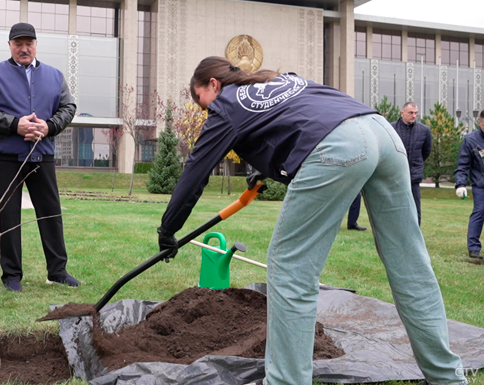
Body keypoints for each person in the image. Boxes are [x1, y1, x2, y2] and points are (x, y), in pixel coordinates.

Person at [157, 56, 466, 385]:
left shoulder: (226, 106)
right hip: (381, 133)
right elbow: (301, 121)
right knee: (410, 262)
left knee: (290, 268)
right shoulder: (277, 80)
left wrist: (168, 228)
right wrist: (264, 169)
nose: (206, 112)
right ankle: (448, 378)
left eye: (201, 101)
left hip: (341, 146)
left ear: (213, 86)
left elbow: (196, 171)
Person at [0, 22, 79, 292]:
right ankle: (11, 276)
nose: (24, 48)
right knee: (9, 216)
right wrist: (14, 124)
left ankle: (57, 271)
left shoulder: (55, 76)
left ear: (36, 44)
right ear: (9, 45)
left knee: (50, 214)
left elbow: (68, 107)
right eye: (18, 43)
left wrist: (49, 126)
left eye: (28, 43)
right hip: (7, 156)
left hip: (41, 154)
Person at [391, 101, 432, 225]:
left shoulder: (424, 130)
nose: (413, 116)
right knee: (394, 206)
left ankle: (415, 234)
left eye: (416, 113)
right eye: (410, 113)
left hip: (413, 175)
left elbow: (426, 152)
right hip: (395, 175)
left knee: (415, 207)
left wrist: (416, 164)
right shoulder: (391, 128)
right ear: (402, 113)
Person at [454, 112, 484, 260]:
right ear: (480, 123)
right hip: (481, 185)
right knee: (480, 211)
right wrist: (460, 184)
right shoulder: (471, 140)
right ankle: (473, 248)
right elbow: (463, 165)